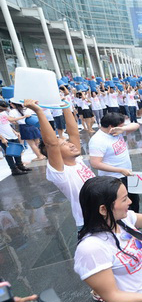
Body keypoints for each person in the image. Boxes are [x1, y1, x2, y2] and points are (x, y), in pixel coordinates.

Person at [24, 99, 94, 231]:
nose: (71, 144)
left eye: (67, 142)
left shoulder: (77, 160)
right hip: (89, 221)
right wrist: (38, 111)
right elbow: (51, 144)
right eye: (64, 145)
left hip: (106, 211)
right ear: (54, 153)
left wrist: (65, 106)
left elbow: (73, 133)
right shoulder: (59, 173)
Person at [88, 113, 141, 212]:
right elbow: (95, 163)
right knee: (122, 205)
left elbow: (136, 125)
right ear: (111, 127)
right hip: (114, 178)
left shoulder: (117, 131)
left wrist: (123, 129)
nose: (123, 127)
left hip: (127, 174)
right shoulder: (98, 140)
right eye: (121, 126)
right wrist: (120, 170)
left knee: (133, 201)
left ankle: (134, 223)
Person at [0, 100, 31, 176]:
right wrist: (2, 138)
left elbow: (7, 123)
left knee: (17, 150)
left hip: (11, 135)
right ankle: (14, 169)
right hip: (4, 137)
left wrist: (14, 132)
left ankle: (20, 166)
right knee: (8, 154)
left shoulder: (3, 113)